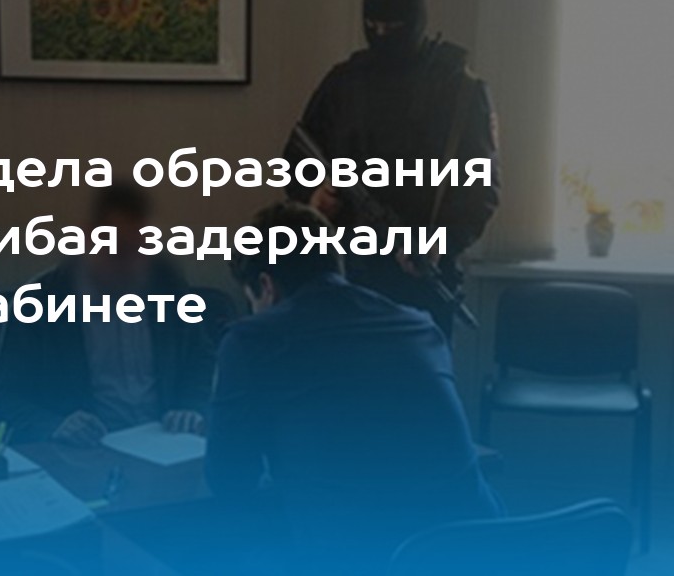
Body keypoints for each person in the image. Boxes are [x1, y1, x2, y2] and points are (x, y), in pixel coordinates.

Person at [207, 202, 502, 574]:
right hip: (480, 547)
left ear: (266, 286)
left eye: (253, 301)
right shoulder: (419, 327)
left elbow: (229, 479)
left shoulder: (252, 340)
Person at [285, 0, 500, 335]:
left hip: (422, 280)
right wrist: (315, 197)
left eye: (393, 28)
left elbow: (480, 192)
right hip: (345, 275)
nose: (381, 36)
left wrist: (440, 242)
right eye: (373, 27)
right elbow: (296, 160)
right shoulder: (343, 82)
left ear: (416, 21)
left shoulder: (461, 90)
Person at [0, 184, 215, 445]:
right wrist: (55, 425)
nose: (130, 262)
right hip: (85, 449)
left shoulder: (169, 285)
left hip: (166, 441)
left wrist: (192, 407)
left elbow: (202, 360)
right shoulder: (37, 301)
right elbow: (3, 398)